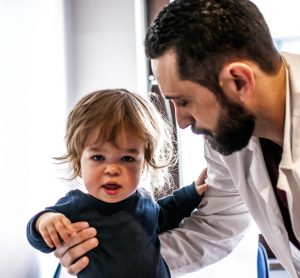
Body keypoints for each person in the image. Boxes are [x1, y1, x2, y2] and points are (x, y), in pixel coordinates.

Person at [53, 0, 300, 277]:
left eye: (183, 101)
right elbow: (215, 228)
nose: (182, 122)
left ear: (239, 82)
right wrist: (110, 256)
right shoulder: (230, 134)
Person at [26, 89, 208, 278]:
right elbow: (40, 240)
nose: (112, 169)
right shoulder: (76, 206)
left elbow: (165, 214)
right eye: (98, 157)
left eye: (127, 158)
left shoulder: (144, 201)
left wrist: (193, 192)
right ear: (79, 162)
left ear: (144, 162)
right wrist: (43, 222)